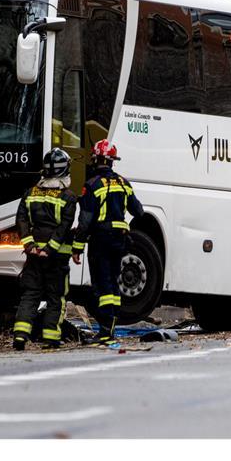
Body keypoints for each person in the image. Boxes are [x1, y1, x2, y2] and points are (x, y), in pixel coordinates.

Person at [74, 139, 143, 345]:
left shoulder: (92, 185)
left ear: (96, 160)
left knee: (102, 284)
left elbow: (85, 221)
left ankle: (105, 331)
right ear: (112, 161)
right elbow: (138, 211)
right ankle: (110, 326)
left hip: (101, 240)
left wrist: (77, 247)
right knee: (113, 282)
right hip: (119, 241)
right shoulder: (124, 183)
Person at [12, 148, 79, 351]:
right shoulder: (68, 197)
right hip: (56, 258)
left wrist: (29, 245)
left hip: (33, 256)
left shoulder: (30, 192)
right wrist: (49, 249)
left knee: (30, 295)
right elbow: (64, 227)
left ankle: (20, 336)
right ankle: (51, 338)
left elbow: (21, 220)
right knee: (55, 297)